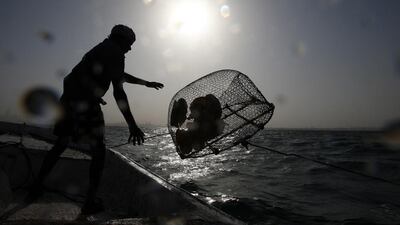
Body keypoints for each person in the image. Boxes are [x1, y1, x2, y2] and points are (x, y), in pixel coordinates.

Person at [26, 24, 164, 215]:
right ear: (121, 40)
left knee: (61, 144)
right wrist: (132, 125)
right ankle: (89, 202)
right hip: (86, 105)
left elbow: (116, 75)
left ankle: (36, 186)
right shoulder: (116, 53)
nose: (130, 48)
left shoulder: (102, 48)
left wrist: (145, 83)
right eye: (130, 44)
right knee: (99, 153)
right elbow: (119, 92)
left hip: (68, 101)